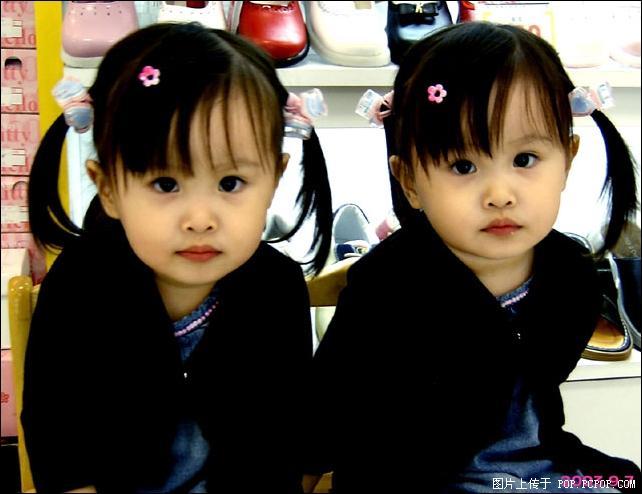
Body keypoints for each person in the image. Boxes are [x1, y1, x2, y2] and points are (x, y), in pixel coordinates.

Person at [306, 22, 640, 493]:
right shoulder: (389, 285)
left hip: (538, 470)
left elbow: (544, 395)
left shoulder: (571, 273)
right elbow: (324, 417)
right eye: (463, 166)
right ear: (409, 181)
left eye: (525, 159)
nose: (500, 194)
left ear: (567, 158)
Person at [23, 22, 333, 493]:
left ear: (274, 178)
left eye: (230, 183)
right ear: (108, 187)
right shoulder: (80, 286)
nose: (200, 219)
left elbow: (288, 441)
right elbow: (58, 445)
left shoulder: (275, 286)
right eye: (166, 184)